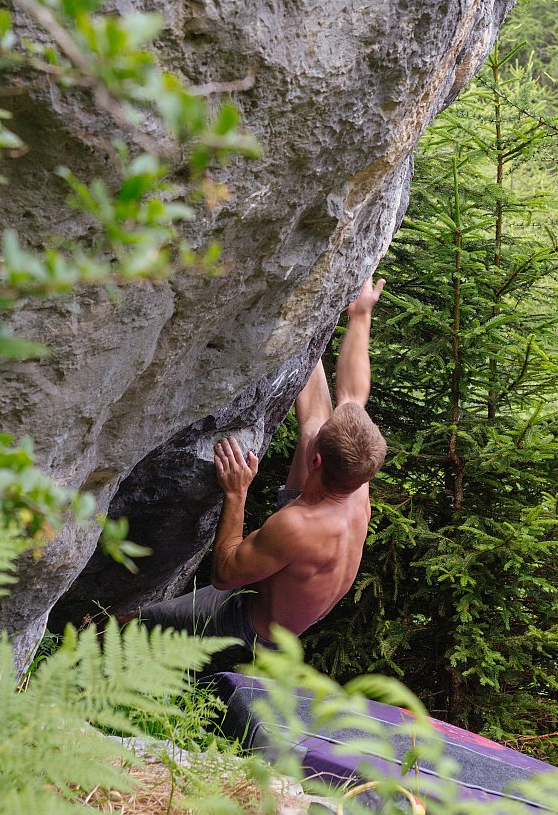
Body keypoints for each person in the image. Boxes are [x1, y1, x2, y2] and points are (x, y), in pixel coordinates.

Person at [122, 276, 387, 656]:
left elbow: (226, 575)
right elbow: (351, 397)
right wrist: (360, 316)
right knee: (315, 423)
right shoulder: (357, 475)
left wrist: (236, 493)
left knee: (133, 625)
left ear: (316, 461)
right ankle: (303, 344)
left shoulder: (295, 526)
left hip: (250, 627)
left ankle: (76, 657)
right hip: (307, 560)